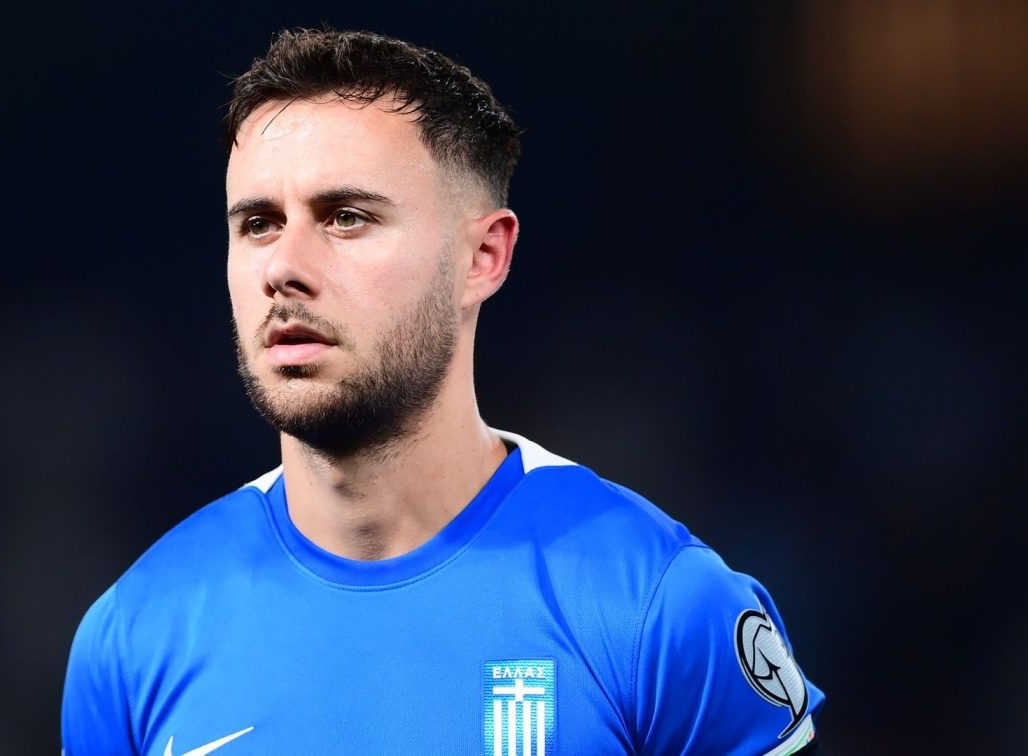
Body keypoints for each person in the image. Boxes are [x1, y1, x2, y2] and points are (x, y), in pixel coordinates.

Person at [62, 28, 824, 755]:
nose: (284, 267)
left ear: (483, 256)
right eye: (258, 223)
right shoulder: (135, 634)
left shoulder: (659, 606)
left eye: (346, 218)